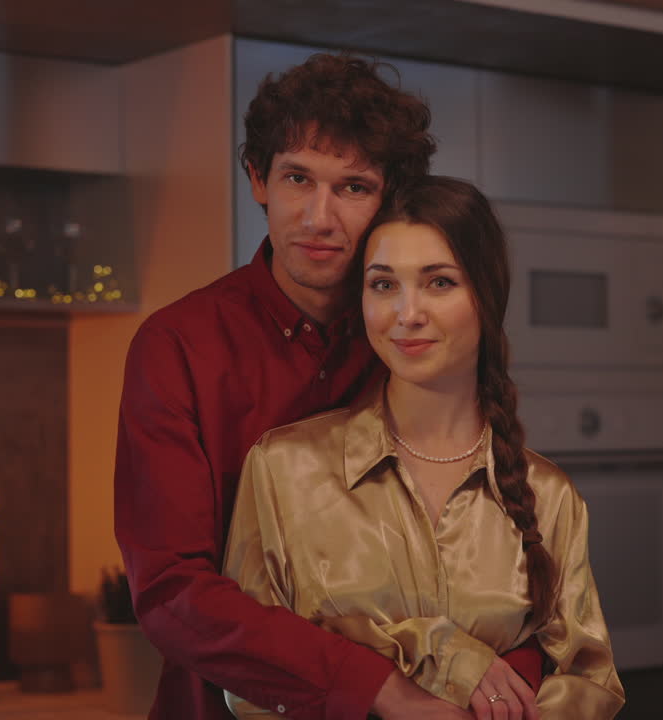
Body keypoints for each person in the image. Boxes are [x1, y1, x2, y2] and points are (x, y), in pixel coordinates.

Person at [115, 55, 544, 720]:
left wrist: (507, 679)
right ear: (258, 179)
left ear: (388, 198)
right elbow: (173, 594)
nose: (318, 217)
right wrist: (380, 688)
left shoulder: (422, 346)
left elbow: (503, 560)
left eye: (352, 188)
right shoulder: (176, 349)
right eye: (297, 179)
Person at [223, 176, 626, 720]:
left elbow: (591, 678)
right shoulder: (281, 468)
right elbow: (248, 684)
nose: (406, 314)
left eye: (438, 283)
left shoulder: (548, 495)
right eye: (383, 285)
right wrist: (432, 651)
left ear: (486, 297)